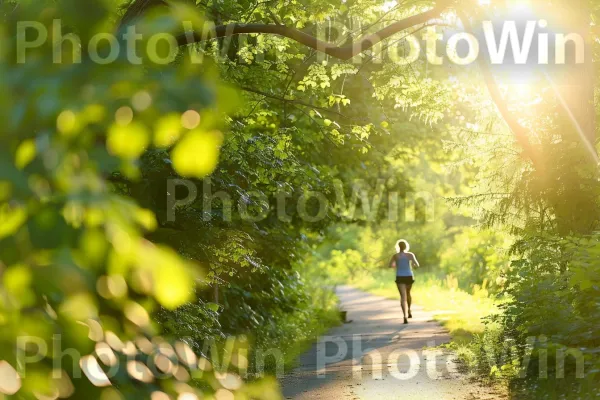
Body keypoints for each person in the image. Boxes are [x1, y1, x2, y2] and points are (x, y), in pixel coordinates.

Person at [389, 239, 420, 324]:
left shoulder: (395, 256)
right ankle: (409, 310)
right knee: (408, 293)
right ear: (406, 246)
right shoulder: (410, 255)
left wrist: (395, 264)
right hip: (409, 276)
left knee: (403, 297)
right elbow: (417, 265)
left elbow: (390, 265)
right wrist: (413, 265)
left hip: (400, 277)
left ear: (398, 247)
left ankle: (405, 316)